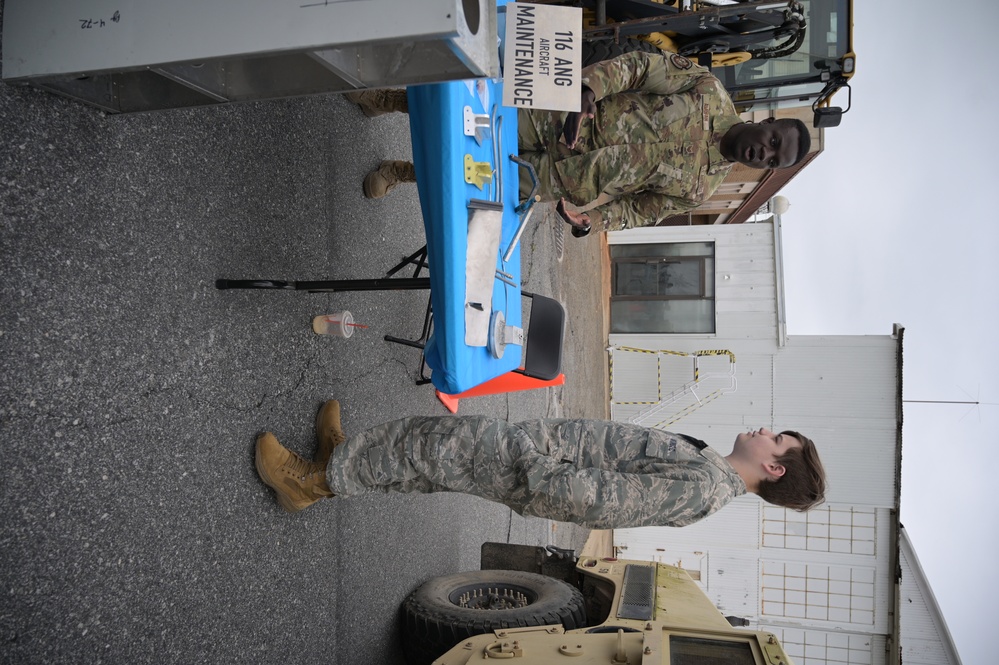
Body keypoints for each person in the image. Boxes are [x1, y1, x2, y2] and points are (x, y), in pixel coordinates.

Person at [348, 50, 811, 236]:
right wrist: (589, 89)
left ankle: (400, 172)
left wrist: (593, 219)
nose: (763, 151)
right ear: (767, 121)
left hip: (564, 178)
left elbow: (639, 211)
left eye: (772, 158)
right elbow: (641, 69)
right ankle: (385, 99)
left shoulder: (701, 189)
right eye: (772, 140)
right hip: (558, 119)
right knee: (469, 117)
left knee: (473, 177)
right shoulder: (708, 90)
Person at [254, 400, 826, 528]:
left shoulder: (704, 489)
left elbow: (600, 501)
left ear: (775, 468)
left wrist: (527, 458)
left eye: (776, 439)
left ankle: (311, 482)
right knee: (429, 465)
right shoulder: (709, 469)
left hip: (530, 467)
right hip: (535, 457)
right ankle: (343, 465)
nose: (762, 430)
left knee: (424, 442)